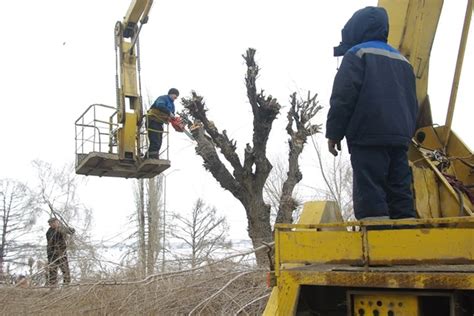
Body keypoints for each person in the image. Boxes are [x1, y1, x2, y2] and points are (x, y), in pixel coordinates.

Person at [326, 6, 418, 221]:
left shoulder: (357, 54)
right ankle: (407, 238)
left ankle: (378, 241)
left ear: (356, 29)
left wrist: (334, 133)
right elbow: (412, 102)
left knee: (371, 191)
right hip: (399, 139)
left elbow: (343, 98)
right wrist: (405, 133)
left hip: (367, 136)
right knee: (400, 190)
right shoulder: (404, 62)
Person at [145, 88, 180, 159]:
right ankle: (151, 157)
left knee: (159, 141)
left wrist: (175, 121)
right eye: (175, 95)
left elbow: (172, 115)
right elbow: (160, 105)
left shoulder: (172, 105)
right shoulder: (163, 98)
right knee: (155, 140)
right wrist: (169, 113)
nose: (176, 98)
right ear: (171, 94)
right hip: (153, 120)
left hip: (160, 123)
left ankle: (152, 156)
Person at [46, 218, 75, 286]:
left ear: (57, 222)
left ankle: (66, 285)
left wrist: (65, 229)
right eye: (51, 223)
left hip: (61, 253)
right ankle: (52, 287)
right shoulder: (49, 232)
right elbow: (51, 241)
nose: (52, 224)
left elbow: (72, 231)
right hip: (52, 255)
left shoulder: (62, 228)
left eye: (54, 222)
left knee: (65, 270)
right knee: (52, 272)